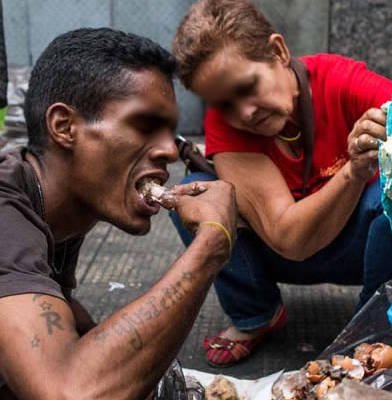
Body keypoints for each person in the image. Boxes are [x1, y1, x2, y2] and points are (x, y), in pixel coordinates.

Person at [171, 0, 392, 367]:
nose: (243, 113)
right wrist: (354, 171)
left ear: (279, 51)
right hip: (282, 254)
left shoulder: (340, 80)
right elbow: (290, 241)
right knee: (196, 192)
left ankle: (377, 325)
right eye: (224, 104)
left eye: (248, 87)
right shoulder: (226, 126)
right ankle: (256, 314)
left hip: (365, 250)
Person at [0, 28, 237, 399]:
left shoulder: (63, 203)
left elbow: (55, 305)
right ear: (65, 127)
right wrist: (210, 246)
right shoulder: (6, 217)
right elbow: (68, 392)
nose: (170, 153)